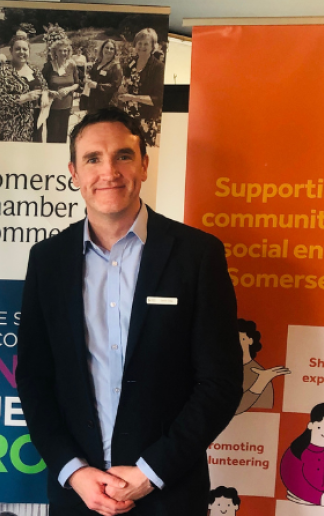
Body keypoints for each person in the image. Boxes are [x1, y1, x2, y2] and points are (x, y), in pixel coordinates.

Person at [16, 107, 243, 516]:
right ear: (74, 173)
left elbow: (220, 383)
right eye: (93, 159)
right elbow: (34, 379)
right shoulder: (47, 260)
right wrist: (74, 472)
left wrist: (150, 473)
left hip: (169, 495)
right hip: (77, 497)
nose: (109, 171)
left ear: (144, 165)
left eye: (123, 155)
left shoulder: (197, 255)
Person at [0, 36, 46, 142]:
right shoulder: (3, 72)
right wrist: (24, 97)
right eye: (17, 49)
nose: (21, 52)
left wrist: (47, 94)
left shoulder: (35, 70)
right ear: (11, 51)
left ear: (29, 51)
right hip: (12, 129)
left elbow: (44, 86)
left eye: (25, 49)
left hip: (35, 126)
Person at [118, 28, 165, 147]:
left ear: (153, 46)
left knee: (144, 150)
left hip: (146, 119)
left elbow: (158, 99)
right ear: (135, 44)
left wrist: (132, 97)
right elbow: (125, 82)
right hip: (128, 116)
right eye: (140, 43)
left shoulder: (158, 67)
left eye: (146, 44)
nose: (142, 46)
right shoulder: (131, 63)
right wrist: (122, 88)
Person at [235, 318, 290, 414]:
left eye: (242, 339)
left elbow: (233, 410)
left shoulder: (259, 373)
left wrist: (262, 381)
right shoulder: (225, 370)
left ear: (250, 341)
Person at [41, 38, 80, 144]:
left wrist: (68, 89)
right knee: (52, 135)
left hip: (66, 106)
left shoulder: (72, 66)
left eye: (65, 50)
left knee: (63, 135)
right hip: (52, 106)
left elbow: (77, 84)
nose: (63, 53)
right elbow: (41, 84)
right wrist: (50, 92)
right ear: (55, 52)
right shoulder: (48, 66)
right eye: (60, 50)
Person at [85, 40, 123, 114]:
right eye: (107, 47)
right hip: (93, 103)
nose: (109, 50)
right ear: (102, 49)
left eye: (111, 49)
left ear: (115, 52)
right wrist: (87, 79)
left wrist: (97, 86)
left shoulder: (116, 66)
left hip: (106, 105)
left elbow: (115, 86)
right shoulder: (96, 64)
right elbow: (92, 77)